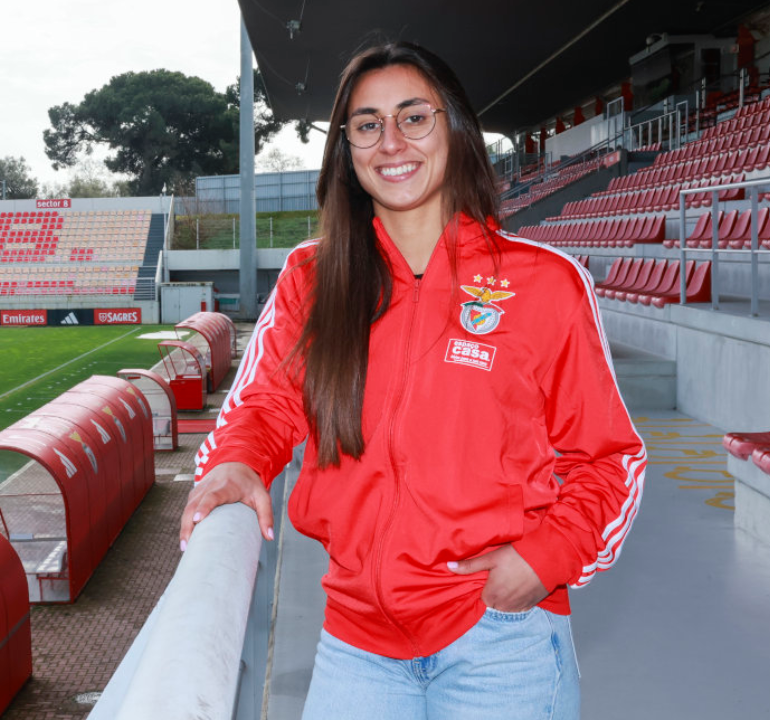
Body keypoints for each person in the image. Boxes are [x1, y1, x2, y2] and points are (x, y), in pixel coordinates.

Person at [179, 41, 646, 719]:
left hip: (502, 637)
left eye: (413, 117)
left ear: (453, 126)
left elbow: (611, 459)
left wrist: (545, 558)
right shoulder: (313, 278)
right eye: (367, 124)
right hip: (357, 645)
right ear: (347, 148)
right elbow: (266, 405)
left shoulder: (544, 282)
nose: (390, 141)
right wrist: (236, 463)